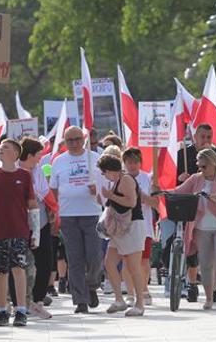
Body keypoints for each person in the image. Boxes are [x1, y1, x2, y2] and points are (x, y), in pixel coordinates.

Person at [0, 139, 38, 327]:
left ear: (16, 154)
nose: (0, 150)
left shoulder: (24, 176)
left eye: (5, 148)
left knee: (18, 269)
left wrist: (35, 234)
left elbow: (32, 204)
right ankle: (2, 310)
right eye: (0, 148)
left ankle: (21, 310)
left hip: (19, 230)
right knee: (1, 272)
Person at [173, 149, 216, 310]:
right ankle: (209, 298)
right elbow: (178, 191)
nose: (201, 169)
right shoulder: (196, 179)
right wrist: (160, 190)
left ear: (214, 164)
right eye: (199, 166)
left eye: (204, 166)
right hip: (202, 229)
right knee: (206, 264)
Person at [49, 126, 104, 314]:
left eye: (76, 139)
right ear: (64, 142)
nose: (73, 143)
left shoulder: (95, 158)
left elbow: (108, 184)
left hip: (92, 214)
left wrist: (97, 189)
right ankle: (80, 300)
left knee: (94, 255)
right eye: (69, 140)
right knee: (75, 259)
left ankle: (92, 285)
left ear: (83, 139)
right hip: (68, 215)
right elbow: (53, 190)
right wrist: (54, 213)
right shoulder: (58, 161)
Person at [97, 154, 147, 317]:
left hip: (132, 227)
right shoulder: (116, 182)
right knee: (109, 263)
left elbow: (131, 202)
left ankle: (140, 304)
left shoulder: (125, 179)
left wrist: (110, 196)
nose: (104, 176)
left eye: (104, 172)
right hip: (119, 230)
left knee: (133, 267)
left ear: (111, 170)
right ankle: (119, 300)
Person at [19, 137, 55, 319]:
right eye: (38, 155)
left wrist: (53, 208)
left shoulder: (38, 170)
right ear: (30, 154)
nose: (40, 158)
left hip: (40, 222)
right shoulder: (15, 170)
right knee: (21, 264)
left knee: (45, 262)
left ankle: (38, 299)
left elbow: (44, 192)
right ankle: (22, 301)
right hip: (20, 222)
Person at [122, 147, 156, 306]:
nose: (132, 165)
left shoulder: (148, 179)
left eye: (135, 162)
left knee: (143, 261)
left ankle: (143, 289)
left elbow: (155, 203)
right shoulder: (120, 179)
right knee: (128, 260)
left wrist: (142, 196)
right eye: (129, 162)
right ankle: (130, 293)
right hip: (126, 226)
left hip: (144, 226)